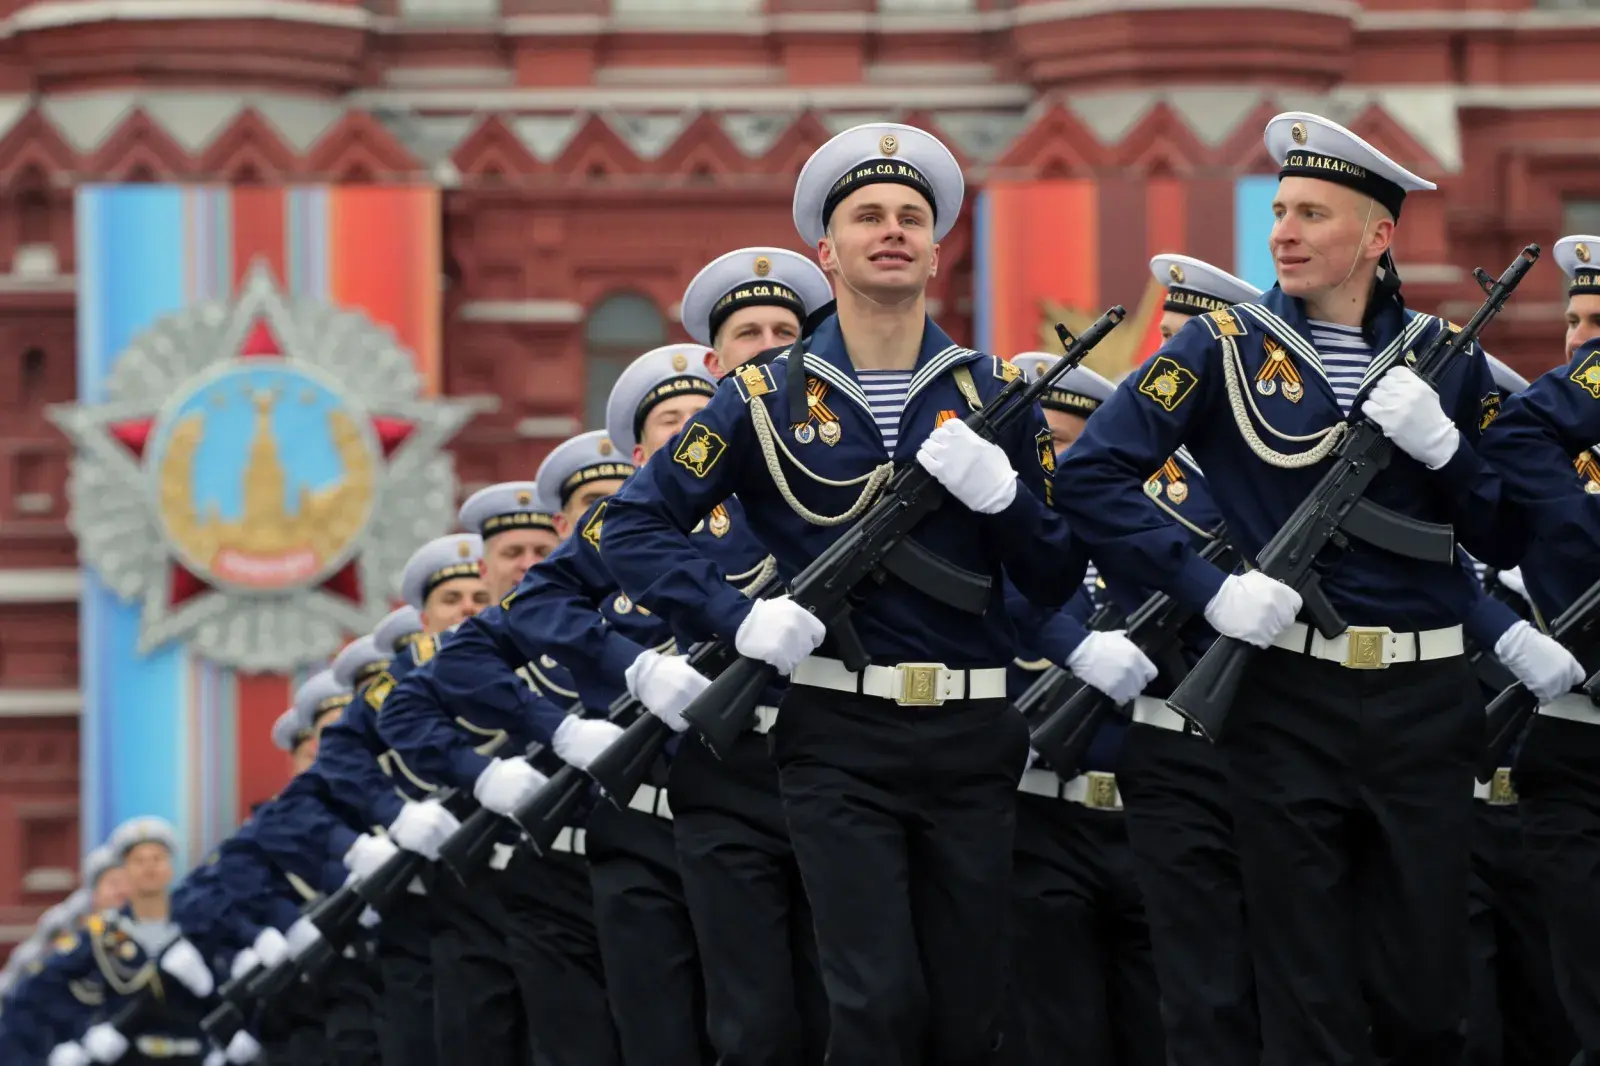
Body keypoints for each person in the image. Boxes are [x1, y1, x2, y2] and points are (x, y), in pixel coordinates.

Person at [1056, 111, 1572, 1065]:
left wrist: (1450, 450)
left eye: (1312, 215)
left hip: (1422, 700)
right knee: (1306, 986)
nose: (1282, 233)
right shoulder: (1220, 346)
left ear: (1379, 235)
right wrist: (1208, 591)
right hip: (1286, 700)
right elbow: (1091, 474)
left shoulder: (1445, 359)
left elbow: (1504, 531)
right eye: (1280, 210)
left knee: (1428, 994)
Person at [603, 122, 1084, 1064]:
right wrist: (739, 618)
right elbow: (632, 525)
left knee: (969, 1015)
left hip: (973, 729)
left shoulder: (999, 395)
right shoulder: (760, 397)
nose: (891, 229)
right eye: (867, 216)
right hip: (838, 738)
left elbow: (1058, 572)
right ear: (828, 253)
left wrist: (1006, 500)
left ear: (938, 249)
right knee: (873, 1005)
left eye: (911, 216)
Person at [379, 508, 621, 1066]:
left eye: (540, 551)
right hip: (492, 877)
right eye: (513, 555)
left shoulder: (589, 623)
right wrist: (480, 775)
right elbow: (400, 720)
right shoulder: (444, 666)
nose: (527, 566)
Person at [1099, 254, 1264, 1066]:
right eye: (1160, 340)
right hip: (1170, 742)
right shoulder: (1131, 475)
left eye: (1186, 341)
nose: (1167, 359)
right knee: (1200, 986)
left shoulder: (1280, 456)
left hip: (1281, 735)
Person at [1000, 355, 1165, 1066]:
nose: (1050, 462)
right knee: (1055, 1036)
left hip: (1144, 820)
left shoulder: (1145, 543)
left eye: (1065, 443)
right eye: (1036, 443)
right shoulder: (987, 550)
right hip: (1035, 821)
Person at [1475, 233, 1600, 1066]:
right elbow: (1516, 433)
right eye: (1575, 321)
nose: (1584, 339)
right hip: (1577, 734)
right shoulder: (1555, 462)